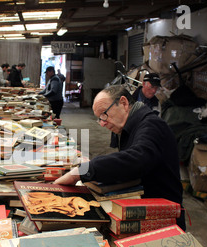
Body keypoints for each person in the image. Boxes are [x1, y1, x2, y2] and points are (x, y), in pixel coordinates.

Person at [54, 85, 186, 231]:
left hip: (162, 221)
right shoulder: (133, 126)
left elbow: (137, 159)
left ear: (123, 103)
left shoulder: (152, 125)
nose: (103, 123)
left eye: (104, 115)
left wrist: (84, 170)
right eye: (99, 119)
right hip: (145, 210)